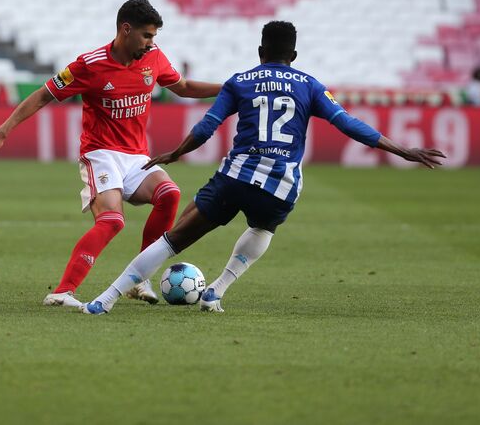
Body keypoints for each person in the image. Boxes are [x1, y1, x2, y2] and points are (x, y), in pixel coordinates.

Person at [82, 21, 445, 315]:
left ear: (260, 52)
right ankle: (217, 290)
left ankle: (106, 298)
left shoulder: (241, 81)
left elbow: (206, 128)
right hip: (281, 185)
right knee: (263, 228)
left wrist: (175, 153)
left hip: (237, 176)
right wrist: (401, 149)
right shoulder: (310, 85)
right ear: (294, 54)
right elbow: (348, 123)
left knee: (173, 239)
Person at [0, 0, 222, 307]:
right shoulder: (90, 65)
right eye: (147, 36)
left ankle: (140, 277)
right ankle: (62, 292)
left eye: (154, 37)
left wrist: (228, 88)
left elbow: (183, 87)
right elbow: (43, 95)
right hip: (101, 154)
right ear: (126, 29)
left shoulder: (154, 58)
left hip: (136, 156)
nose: (151, 43)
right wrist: (2, 131)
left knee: (170, 195)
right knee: (112, 221)